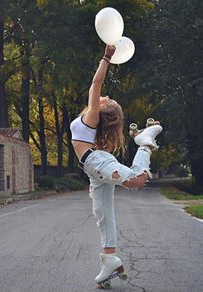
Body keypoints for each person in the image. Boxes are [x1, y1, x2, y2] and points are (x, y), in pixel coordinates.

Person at [70, 45, 163, 287]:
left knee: (136, 180)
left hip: (95, 161)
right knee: (104, 216)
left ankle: (144, 145)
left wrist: (106, 57)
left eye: (107, 100)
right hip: (92, 167)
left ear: (101, 109)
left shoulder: (91, 115)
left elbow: (95, 84)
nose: (105, 96)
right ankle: (109, 260)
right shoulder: (90, 119)